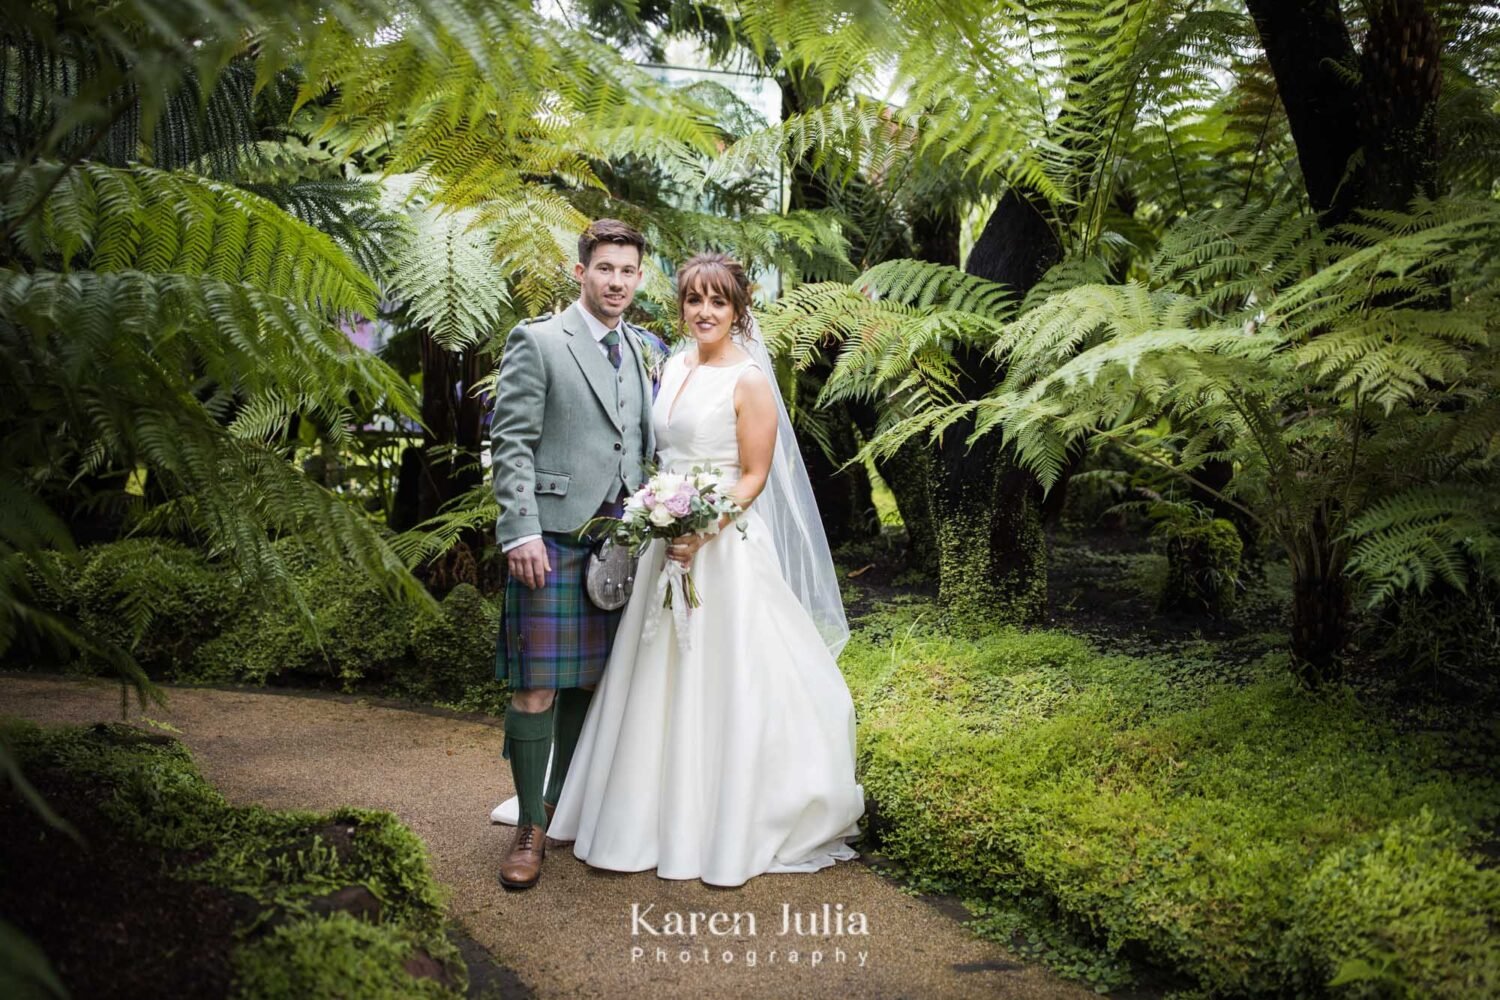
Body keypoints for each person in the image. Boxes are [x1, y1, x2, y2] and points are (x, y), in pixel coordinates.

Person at [544, 252, 865, 886]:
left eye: (719, 302)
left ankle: (720, 820)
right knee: (655, 678)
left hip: (724, 549)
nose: (706, 312)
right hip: (665, 539)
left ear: (739, 309)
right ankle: (641, 813)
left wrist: (700, 530)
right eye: (695, 300)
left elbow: (753, 475)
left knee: (719, 677)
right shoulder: (673, 367)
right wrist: (663, 521)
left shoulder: (749, 380)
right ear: (681, 306)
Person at [489, 218, 658, 889]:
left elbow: (643, 444)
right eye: (605, 268)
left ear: (639, 278)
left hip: (621, 544)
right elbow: (511, 445)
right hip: (553, 537)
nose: (616, 281)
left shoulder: (646, 348)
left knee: (592, 682)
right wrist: (520, 529)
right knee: (534, 685)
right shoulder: (538, 342)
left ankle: (560, 807)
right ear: (579, 271)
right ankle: (529, 828)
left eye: (628, 271)